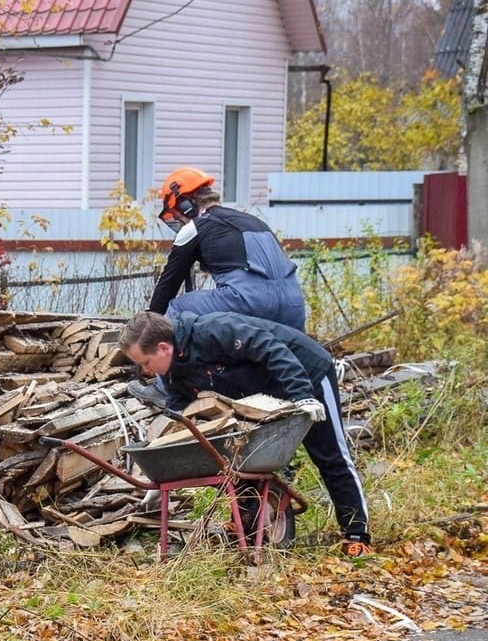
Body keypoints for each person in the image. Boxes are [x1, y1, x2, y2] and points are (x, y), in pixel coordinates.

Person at [118, 310, 372, 558]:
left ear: (163, 348)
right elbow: (179, 411)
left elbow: (270, 348)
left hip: (306, 372)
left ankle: (356, 534)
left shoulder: (213, 331)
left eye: (145, 363)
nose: (147, 372)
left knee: (329, 455)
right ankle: (249, 522)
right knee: (239, 454)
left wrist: (302, 394)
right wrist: (162, 469)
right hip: (259, 394)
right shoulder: (174, 372)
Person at [149, 167, 306, 330]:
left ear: (185, 206)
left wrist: (150, 320)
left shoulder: (195, 227)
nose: (179, 222)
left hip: (251, 302)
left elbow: (169, 283)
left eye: (177, 215)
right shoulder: (256, 222)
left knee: (177, 308)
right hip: (294, 303)